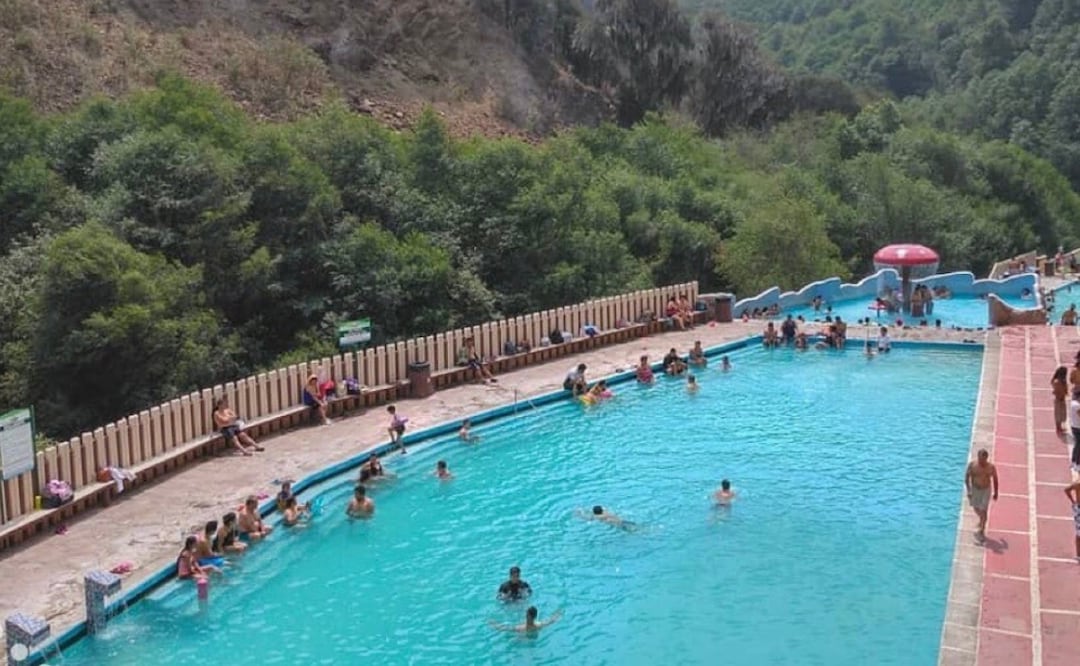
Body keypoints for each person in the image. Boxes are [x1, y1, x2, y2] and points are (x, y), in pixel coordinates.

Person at [965, 449, 998, 543]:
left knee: (983, 510)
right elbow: (967, 478)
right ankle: (982, 519)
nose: (981, 461)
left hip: (986, 490)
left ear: (986, 458)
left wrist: (996, 492)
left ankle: (982, 529)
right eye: (980, 459)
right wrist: (969, 490)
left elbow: (995, 479)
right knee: (976, 508)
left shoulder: (991, 467)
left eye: (983, 459)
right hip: (975, 489)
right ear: (978, 457)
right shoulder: (972, 465)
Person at [489, 606, 563, 634]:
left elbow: (506, 629)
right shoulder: (539, 625)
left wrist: (495, 625)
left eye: (527, 615)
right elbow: (550, 621)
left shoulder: (521, 628)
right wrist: (557, 615)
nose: (526, 616)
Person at [1064, 480, 1080, 561]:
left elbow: (1066, 489)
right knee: (1078, 533)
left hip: (1078, 508)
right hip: (1079, 509)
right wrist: (1073, 501)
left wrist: (1073, 501)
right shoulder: (1077, 484)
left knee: (1078, 533)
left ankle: (1078, 555)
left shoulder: (1077, 483)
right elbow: (1066, 489)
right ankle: (1078, 555)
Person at [1052, 366, 1069, 436]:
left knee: (1062, 413)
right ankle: (1058, 428)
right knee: (1058, 414)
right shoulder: (1057, 382)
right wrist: (1060, 397)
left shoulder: (1063, 381)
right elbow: (1056, 391)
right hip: (1058, 399)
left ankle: (1060, 427)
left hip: (1062, 398)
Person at [1071, 388, 1080, 469]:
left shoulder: (1073, 403)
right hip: (1077, 427)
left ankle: (1074, 461)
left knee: (1077, 445)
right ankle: (1077, 463)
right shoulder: (1076, 405)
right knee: (1078, 446)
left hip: (1075, 426)